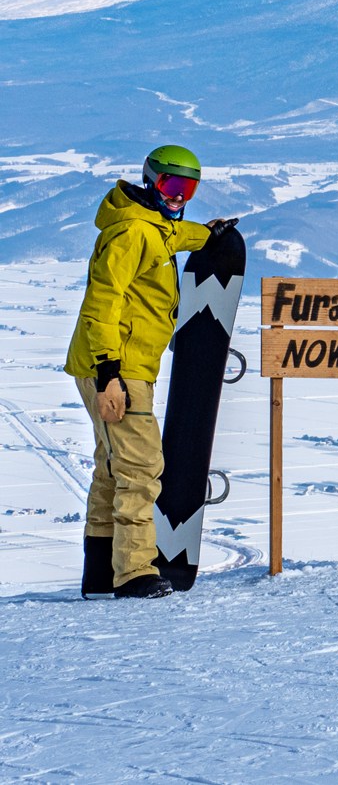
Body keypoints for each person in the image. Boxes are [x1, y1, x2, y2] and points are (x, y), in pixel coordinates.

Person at [64, 144, 234, 599]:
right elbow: (102, 302)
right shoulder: (132, 234)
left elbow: (171, 237)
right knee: (140, 466)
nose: (178, 197)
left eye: (188, 188)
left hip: (119, 364)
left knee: (111, 468)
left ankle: (100, 573)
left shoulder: (151, 227)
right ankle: (135, 572)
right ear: (149, 181)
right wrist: (108, 374)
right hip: (118, 367)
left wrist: (207, 235)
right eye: (170, 185)